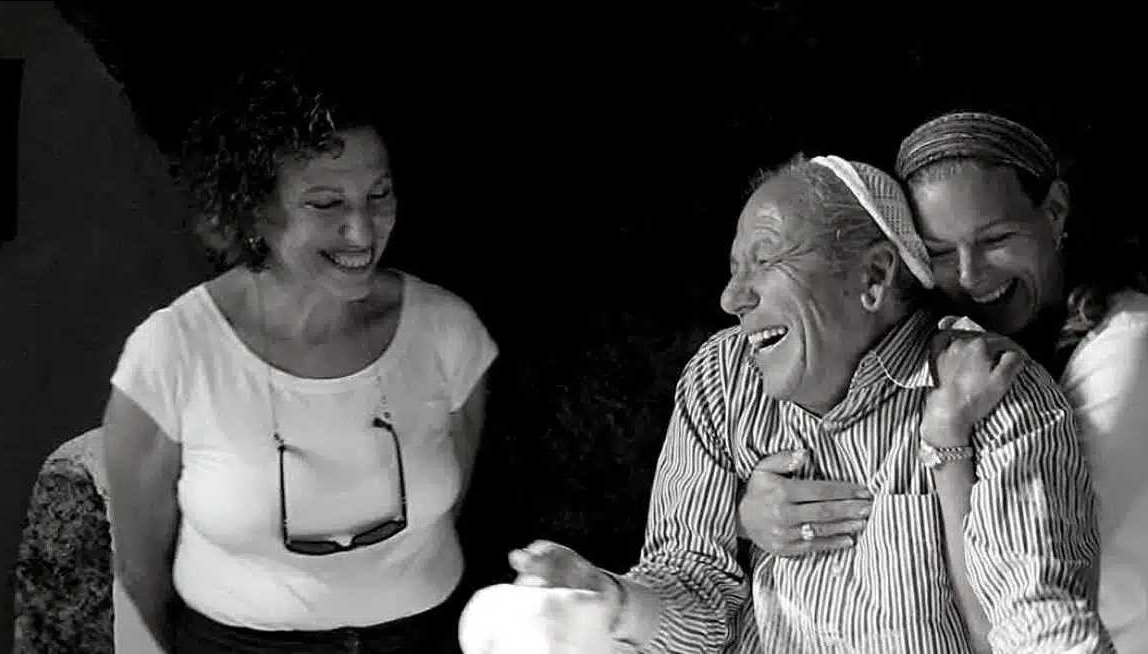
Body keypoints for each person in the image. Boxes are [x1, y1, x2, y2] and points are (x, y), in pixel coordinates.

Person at [459, 154, 1113, 653]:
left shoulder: (996, 393)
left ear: (874, 278)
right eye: (734, 268)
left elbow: (1033, 605)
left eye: (763, 261)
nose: (731, 297)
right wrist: (611, 600)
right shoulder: (723, 378)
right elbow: (696, 583)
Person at [738, 112, 1148, 653]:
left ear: (1056, 211)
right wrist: (754, 515)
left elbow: (994, 604)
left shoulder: (1132, 348)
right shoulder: (958, 358)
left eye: (995, 239)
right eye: (942, 253)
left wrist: (946, 438)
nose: (971, 277)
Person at [102, 51, 498, 654]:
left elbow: (452, 504)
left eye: (379, 195)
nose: (363, 232)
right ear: (257, 211)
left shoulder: (448, 332)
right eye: (326, 204)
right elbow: (137, 577)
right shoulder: (171, 353)